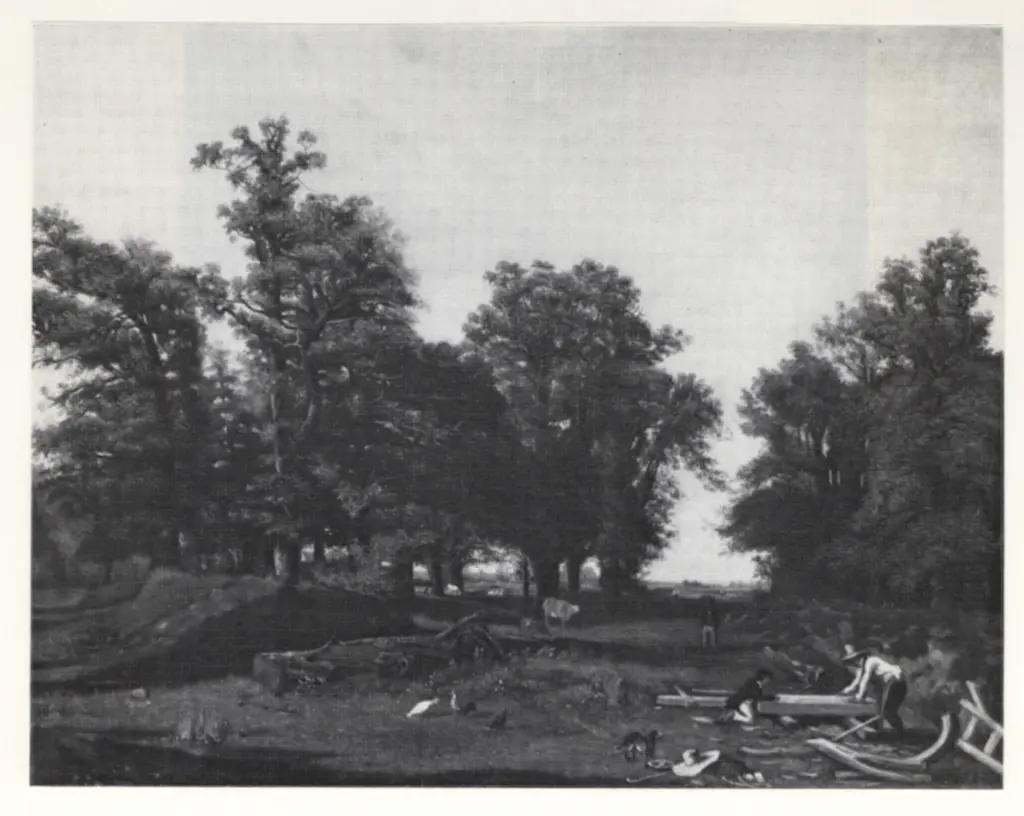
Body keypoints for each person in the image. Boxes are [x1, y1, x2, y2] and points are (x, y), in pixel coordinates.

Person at [840, 644, 908, 736]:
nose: (853, 662)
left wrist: (859, 697)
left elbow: (865, 680)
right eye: (851, 661)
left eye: (854, 659)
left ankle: (901, 734)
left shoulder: (871, 661)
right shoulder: (861, 668)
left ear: (859, 657)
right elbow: (856, 682)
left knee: (888, 712)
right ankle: (878, 731)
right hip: (887, 684)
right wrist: (844, 691)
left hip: (896, 682)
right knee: (879, 708)